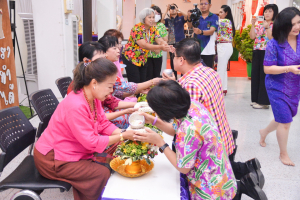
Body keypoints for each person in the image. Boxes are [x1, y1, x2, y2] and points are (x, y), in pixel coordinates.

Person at [163, 38, 267, 200]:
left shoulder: (188, 86)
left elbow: (187, 124)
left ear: (181, 60)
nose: (173, 60)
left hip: (210, 148)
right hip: (224, 138)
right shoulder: (209, 71)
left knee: (212, 185)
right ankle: (246, 175)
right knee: (224, 176)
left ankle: (242, 186)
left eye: (174, 57)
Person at [34, 58, 136, 200]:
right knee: (101, 173)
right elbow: (92, 142)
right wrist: (123, 136)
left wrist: (126, 133)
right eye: (109, 86)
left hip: (70, 150)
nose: (111, 91)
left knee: (116, 156)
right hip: (54, 159)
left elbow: (103, 123)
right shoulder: (76, 105)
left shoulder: (93, 98)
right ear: (94, 83)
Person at [134, 80, 237, 200]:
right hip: (223, 177)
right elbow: (174, 129)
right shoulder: (192, 105)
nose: (155, 113)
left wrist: (160, 143)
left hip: (210, 191)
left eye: (156, 111)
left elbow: (183, 168)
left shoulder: (188, 130)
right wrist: (153, 121)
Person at [259, 7, 300, 166]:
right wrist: (288, 68)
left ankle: (264, 132)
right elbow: (267, 69)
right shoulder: (273, 44)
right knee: (285, 122)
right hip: (276, 86)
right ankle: (283, 154)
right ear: (283, 25)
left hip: (294, 85)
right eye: (293, 24)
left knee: (284, 117)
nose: (297, 27)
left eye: (299, 22)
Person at [67, 41, 137, 129]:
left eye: (104, 58)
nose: (104, 61)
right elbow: (92, 124)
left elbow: (109, 104)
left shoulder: (98, 82)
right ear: (86, 60)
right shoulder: (79, 91)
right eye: (100, 59)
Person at [99, 35, 162, 100]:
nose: (118, 51)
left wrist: (138, 91)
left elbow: (117, 93)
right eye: (114, 48)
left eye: (118, 48)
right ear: (105, 51)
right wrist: (152, 82)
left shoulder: (110, 64)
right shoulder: (104, 68)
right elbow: (125, 86)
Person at [122, 8, 170, 83]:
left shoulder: (153, 29)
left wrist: (165, 45)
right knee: (135, 81)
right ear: (143, 18)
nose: (152, 19)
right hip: (131, 58)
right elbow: (143, 45)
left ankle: (141, 95)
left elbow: (159, 40)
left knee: (143, 81)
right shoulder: (137, 28)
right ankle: (135, 95)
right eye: (149, 17)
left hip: (143, 58)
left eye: (153, 17)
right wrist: (160, 47)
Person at [249, 4, 278, 109]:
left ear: (274, 13)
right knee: (255, 74)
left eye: (270, 11)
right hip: (257, 50)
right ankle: (256, 99)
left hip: (268, 52)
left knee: (264, 76)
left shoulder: (276, 25)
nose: (267, 13)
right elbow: (252, 36)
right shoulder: (259, 24)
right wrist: (253, 24)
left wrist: (267, 27)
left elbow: (272, 39)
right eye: (265, 11)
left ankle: (264, 102)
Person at [188, 0, 219, 68]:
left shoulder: (214, 17)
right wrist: (190, 18)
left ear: (210, 5)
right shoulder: (197, 16)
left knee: (208, 72)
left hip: (208, 50)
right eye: (201, 4)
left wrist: (200, 32)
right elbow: (190, 26)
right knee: (196, 72)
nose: (203, 6)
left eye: (205, 4)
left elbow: (211, 31)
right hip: (196, 49)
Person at [161, 3, 188, 79]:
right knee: (173, 61)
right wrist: (166, 10)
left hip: (181, 43)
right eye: (171, 8)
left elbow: (187, 17)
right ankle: (174, 78)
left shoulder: (181, 18)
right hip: (171, 43)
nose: (173, 9)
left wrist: (178, 9)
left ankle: (183, 77)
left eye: (174, 8)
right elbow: (161, 21)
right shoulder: (168, 20)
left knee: (183, 59)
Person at [217, 5, 236, 95]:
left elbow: (213, 23)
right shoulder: (227, 21)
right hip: (224, 46)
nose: (219, 14)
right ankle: (223, 88)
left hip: (224, 46)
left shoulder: (225, 21)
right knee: (222, 69)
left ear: (226, 13)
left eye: (221, 12)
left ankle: (218, 90)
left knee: (220, 69)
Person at [146, 5, 168, 81]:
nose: (156, 16)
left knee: (156, 75)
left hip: (158, 55)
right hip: (147, 55)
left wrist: (159, 44)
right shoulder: (146, 26)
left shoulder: (161, 26)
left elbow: (165, 39)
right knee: (148, 76)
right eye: (154, 14)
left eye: (158, 13)